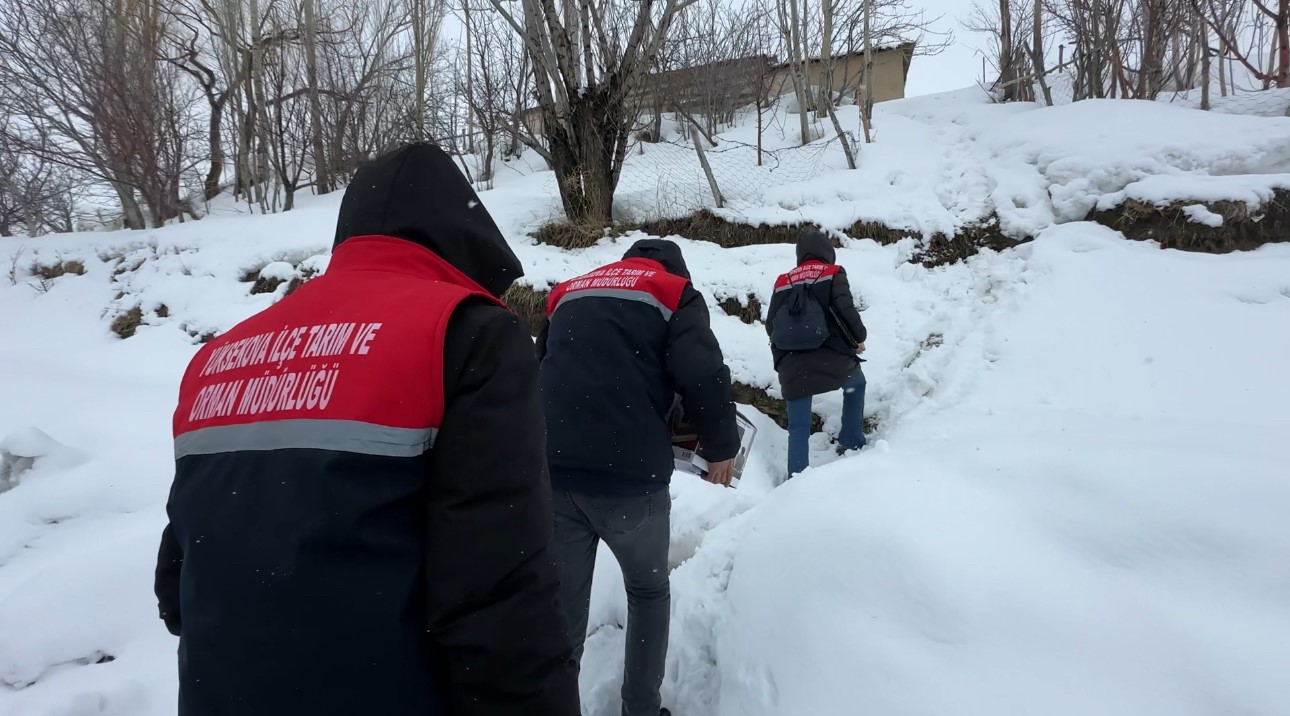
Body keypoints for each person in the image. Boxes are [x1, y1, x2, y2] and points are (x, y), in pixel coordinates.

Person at [153, 143, 580, 716]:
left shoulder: (219, 358)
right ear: (462, 234)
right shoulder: (465, 334)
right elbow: (498, 597)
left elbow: (177, 581)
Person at [536, 238, 739, 716]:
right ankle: (641, 709)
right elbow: (703, 372)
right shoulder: (673, 292)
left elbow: (539, 369)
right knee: (647, 592)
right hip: (630, 479)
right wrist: (721, 448)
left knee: (563, 609)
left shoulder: (569, 290)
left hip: (554, 472)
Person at [765, 229, 868, 478]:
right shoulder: (833, 272)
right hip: (832, 358)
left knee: (798, 425)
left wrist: (787, 356)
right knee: (856, 384)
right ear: (827, 252)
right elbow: (845, 308)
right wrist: (859, 337)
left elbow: (771, 325)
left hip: (793, 366)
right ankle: (851, 441)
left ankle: (796, 476)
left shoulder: (783, 280)